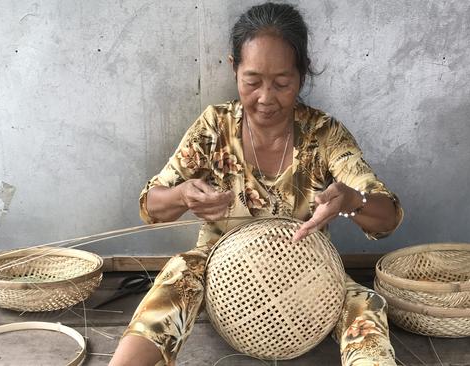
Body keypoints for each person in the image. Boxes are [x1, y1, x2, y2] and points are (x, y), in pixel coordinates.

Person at [109, 3, 403, 365]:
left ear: (302, 74)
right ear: (234, 68)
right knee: (179, 274)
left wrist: (350, 200)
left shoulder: (323, 135)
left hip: (309, 276)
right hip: (222, 276)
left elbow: (387, 217)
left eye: (282, 83)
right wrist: (183, 195)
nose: (266, 98)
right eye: (252, 81)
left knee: (365, 305)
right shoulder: (215, 127)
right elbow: (150, 205)